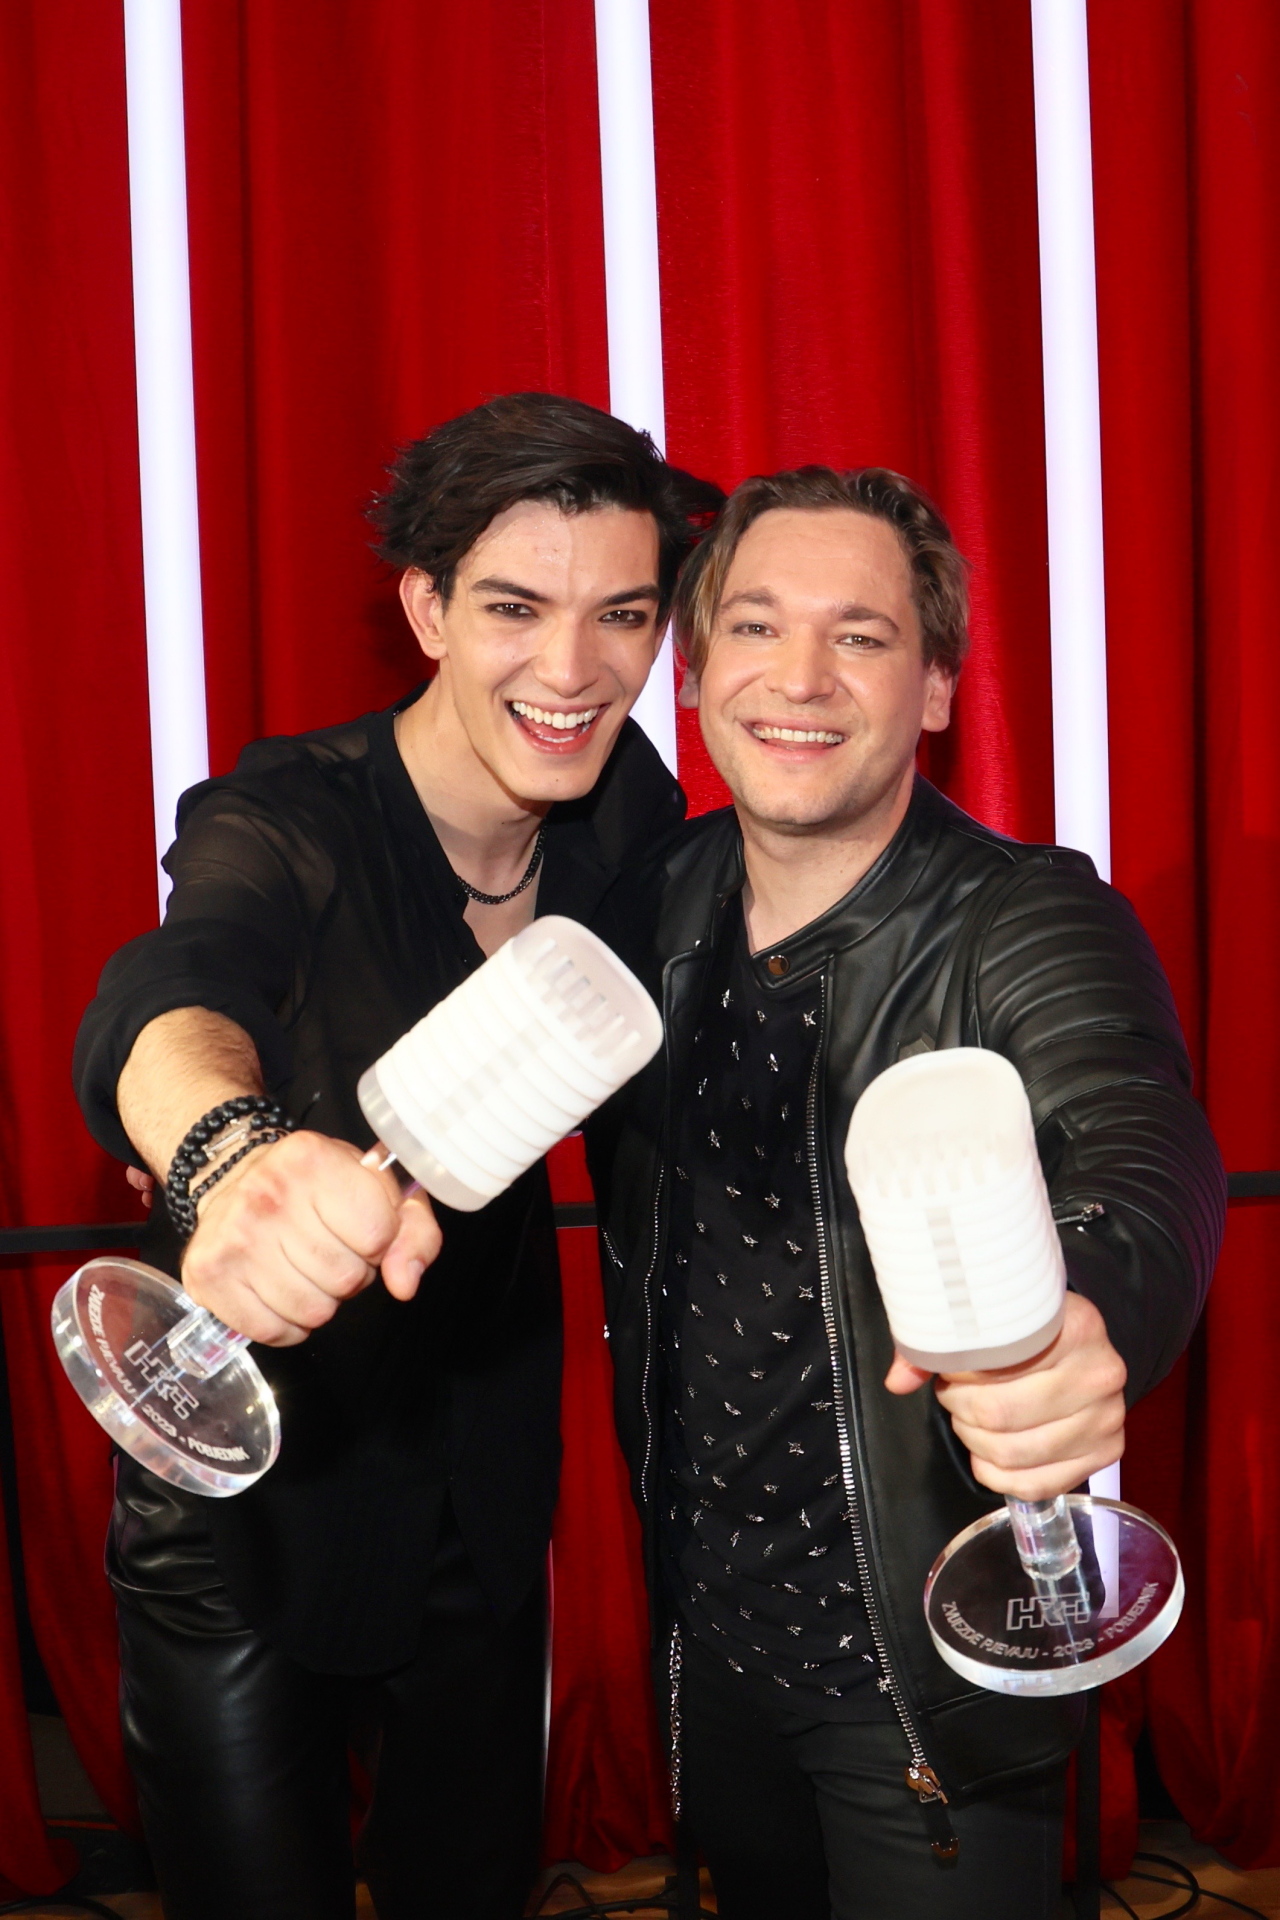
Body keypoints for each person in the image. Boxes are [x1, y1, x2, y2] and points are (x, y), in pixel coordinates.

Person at [74, 392, 721, 1920]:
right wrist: (230, 1153)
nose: (572, 670)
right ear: (427, 609)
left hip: (478, 1468)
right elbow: (172, 993)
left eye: (623, 615)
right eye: (514, 608)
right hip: (248, 1482)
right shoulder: (291, 813)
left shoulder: (627, 808)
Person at [586, 465, 1225, 1920]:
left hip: (927, 1673)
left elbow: (1139, 1139)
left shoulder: (1027, 912)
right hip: (712, 1652)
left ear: (935, 687)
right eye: (755, 627)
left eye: (860, 636)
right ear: (697, 672)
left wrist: (1086, 1311)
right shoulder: (650, 902)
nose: (799, 677)